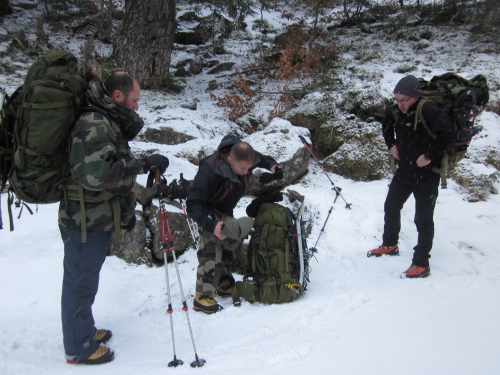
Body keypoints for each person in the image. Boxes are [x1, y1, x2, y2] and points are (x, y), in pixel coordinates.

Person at [58, 72, 169, 365]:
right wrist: (143, 164)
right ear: (117, 96)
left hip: (94, 217)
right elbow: (97, 175)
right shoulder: (93, 122)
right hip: (83, 220)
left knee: (86, 278)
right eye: (134, 100)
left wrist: (124, 211)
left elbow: (111, 169)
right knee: (79, 282)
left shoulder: (105, 120)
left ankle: (85, 329)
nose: (136, 107)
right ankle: (77, 347)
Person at [367, 75, 454, 278]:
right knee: (391, 206)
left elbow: (447, 134)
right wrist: (391, 145)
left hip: (426, 175)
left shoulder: (427, 109)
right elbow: (386, 125)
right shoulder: (396, 110)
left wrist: (429, 156)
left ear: (414, 97)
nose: (400, 104)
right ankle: (390, 244)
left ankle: (421, 264)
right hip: (405, 172)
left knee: (422, 219)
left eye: (404, 100)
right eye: (397, 99)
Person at [186, 135, 281, 314]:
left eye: (249, 167)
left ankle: (223, 284)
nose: (246, 172)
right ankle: (202, 296)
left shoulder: (245, 156)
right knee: (211, 249)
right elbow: (192, 204)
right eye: (243, 168)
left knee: (228, 247)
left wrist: (273, 165)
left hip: (226, 208)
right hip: (207, 208)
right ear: (230, 160)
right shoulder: (210, 170)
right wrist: (210, 224)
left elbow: (263, 160)